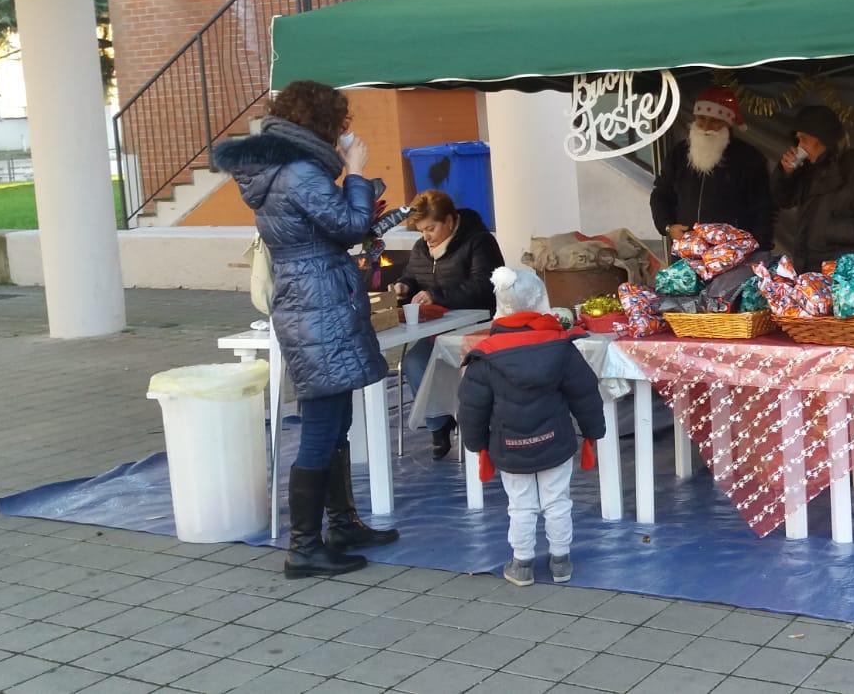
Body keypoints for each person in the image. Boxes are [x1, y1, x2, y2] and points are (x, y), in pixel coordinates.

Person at [213, 80, 399, 579]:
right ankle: (305, 547)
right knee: (321, 424)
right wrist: (355, 170)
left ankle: (342, 525)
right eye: (338, 124)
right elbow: (349, 226)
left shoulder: (281, 167)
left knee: (336, 417)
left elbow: (330, 223)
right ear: (321, 123)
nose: (343, 132)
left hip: (311, 296)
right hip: (317, 300)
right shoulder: (298, 171)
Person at [458, 311, 607, 587]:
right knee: (558, 501)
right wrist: (593, 432)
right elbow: (586, 394)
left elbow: (471, 409)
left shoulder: (484, 357)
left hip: (510, 446)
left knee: (520, 505)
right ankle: (561, 561)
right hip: (555, 441)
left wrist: (476, 444)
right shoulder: (561, 348)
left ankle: (522, 563)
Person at [389, 189, 505, 459]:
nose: (426, 237)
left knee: (450, 363)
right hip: (437, 329)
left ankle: (474, 423)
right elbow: (412, 275)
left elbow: (484, 288)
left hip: (477, 328)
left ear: (450, 221)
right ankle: (438, 425)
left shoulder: (479, 242)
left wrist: (436, 295)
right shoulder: (421, 248)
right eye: (421, 231)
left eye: (431, 229)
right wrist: (404, 286)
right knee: (415, 362)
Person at [773, 104, 854, 273]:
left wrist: (831, 230)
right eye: (798, 139)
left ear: (822, 138)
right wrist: (786, 173)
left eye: (804, 139)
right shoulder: (808, 168)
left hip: (846, 272)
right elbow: (783, 200)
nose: (800, 145)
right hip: (810, 268)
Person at [650, 87, 774, 250]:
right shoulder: (679, 154)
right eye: (701, 118)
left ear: (727, 123)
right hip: (687, 248)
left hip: (732, 252)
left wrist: (759, 248)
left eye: (715, 120)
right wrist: (667, 226)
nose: (706, 126)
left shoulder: (748, 157)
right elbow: (661, 194)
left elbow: (763, 208)